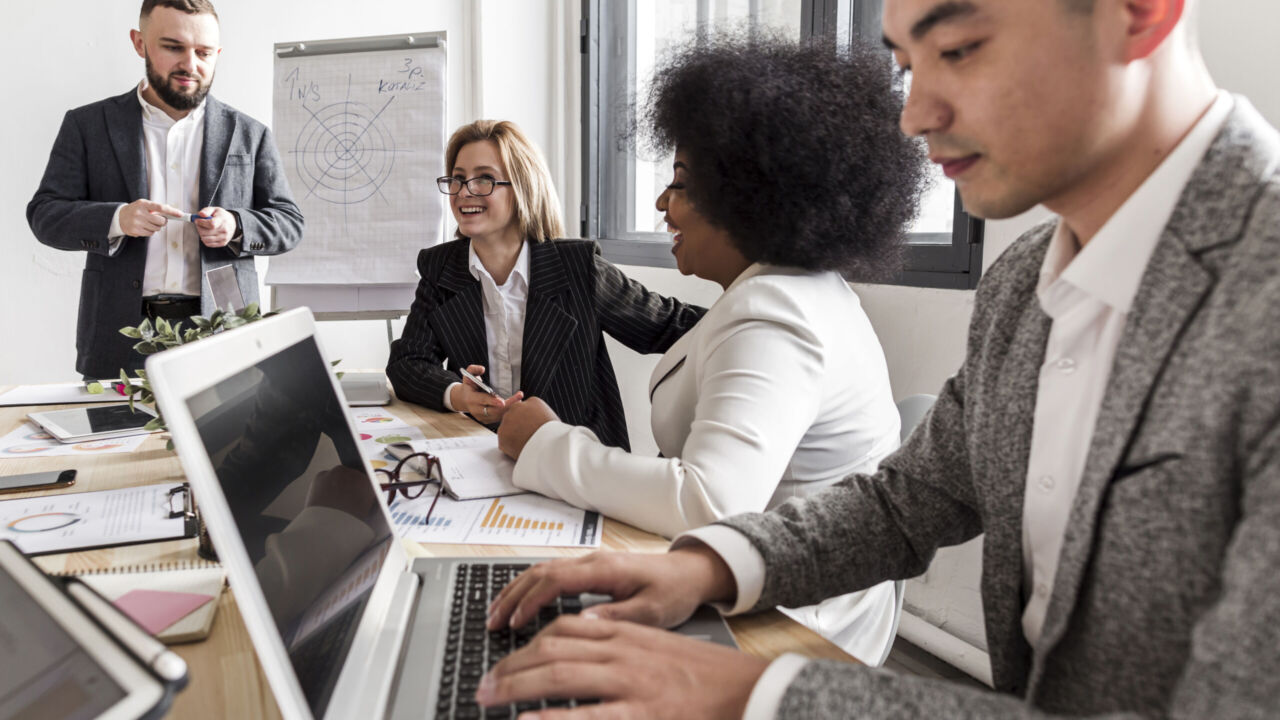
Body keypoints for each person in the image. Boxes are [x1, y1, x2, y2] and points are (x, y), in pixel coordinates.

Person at [478, 0, 1280, 717]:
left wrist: (758, 693)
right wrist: (712, 566)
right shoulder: (1024, 280)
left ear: (1138, 11)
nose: (916, 115)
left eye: (959, 48)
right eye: (906, 67)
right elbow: (907, 502)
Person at [494, 36, 921, 663]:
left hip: (791, 627)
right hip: (755, 580)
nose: (661, 204)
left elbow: (709, 504)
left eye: (681, 185)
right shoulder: (794, 289)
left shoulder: (776, 312)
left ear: (750, 196)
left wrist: (545, 442)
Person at [26, 0, 304, 380]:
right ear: (139, 43)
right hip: (119, 334)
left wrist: (236, 226)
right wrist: (117, 219)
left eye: (204, 52)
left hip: (226, 333)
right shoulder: (87, 125)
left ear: (217, 53)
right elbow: (45, 215)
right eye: (173, 47)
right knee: (116, 424)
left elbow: (289, 222)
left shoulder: (250, 133)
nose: (191, 64)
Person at [386, 120, 704, 450]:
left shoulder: (578, 268)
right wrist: (459, 396)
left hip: (574, 458)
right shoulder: (441, 268)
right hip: (480, 455)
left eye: (483, 179)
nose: (464, 192)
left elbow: (672, 326)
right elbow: (408, 362)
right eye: (458, 178)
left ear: (523, 187)